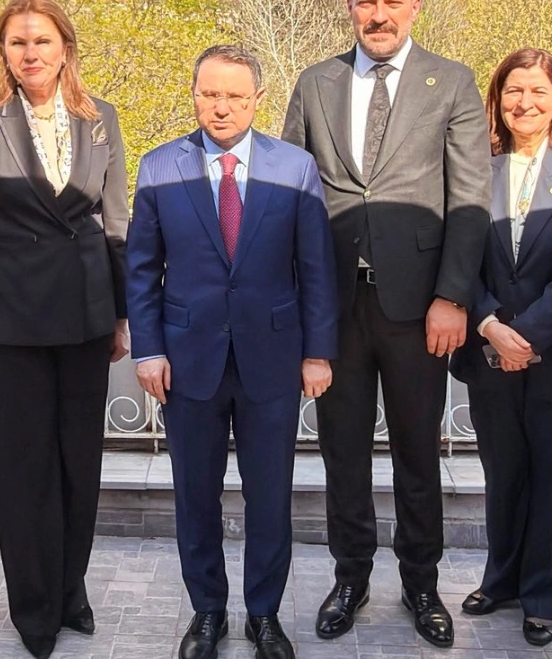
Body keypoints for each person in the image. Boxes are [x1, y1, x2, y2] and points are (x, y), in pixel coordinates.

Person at [280, 0, 490, 648]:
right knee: (342, 452)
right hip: (335, 306)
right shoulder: (316, 83)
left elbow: (468, 199)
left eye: (391, 1)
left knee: (416, 453)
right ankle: (350, 576)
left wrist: (453, 295)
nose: (378, 14)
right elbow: (290, 194)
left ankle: (421, 582)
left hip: (418, 306)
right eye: (367, 1)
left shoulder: (452, 83)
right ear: (350, 7)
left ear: (414, 5)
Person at [127, 45, 337, 659]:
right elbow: (141, 269)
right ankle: (208, 612)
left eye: (235, 97)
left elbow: (316, 267)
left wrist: (318, 351)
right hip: (187, 360)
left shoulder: (294, 167)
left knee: (270, 495)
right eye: (210, 94)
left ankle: (264, 614)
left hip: (272, 358)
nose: (221, 107)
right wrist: (147, 350)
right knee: (196, 495)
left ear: (256, 100)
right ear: (193, 94)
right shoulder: (161, 166)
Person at [0, 0, 130, 659]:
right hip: (11, 325)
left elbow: (115, 223)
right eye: (18, 43)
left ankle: (70, 588)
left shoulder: (99, 118)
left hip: (84, 320)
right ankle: (34, 607)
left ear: (64, 48)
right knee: (23, 471)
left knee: (80, 464)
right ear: (5, 53)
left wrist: (119, 312)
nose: (31, 53)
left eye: (42, 42)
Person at [447, 48, 552, 647]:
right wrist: (487, 324)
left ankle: (544, 594)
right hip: (488, 350)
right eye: (512, 91)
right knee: (502, 472)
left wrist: (526, 334)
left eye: (537, 91)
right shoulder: (475, 167)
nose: (524, 103)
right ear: (497, 100)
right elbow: (457, 255)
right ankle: (502, 579)